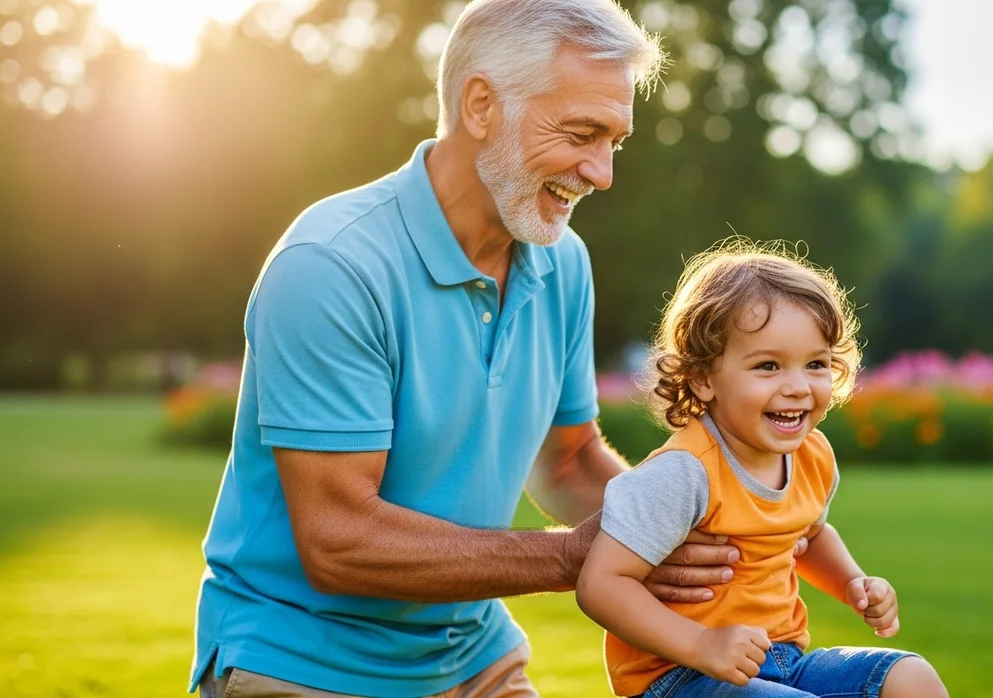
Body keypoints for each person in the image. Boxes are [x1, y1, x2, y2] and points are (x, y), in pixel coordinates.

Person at [190, 2, 744, 696]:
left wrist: (704, 530)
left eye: (615, 142)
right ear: (481, 105)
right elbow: (339, 538)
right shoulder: (332, 265)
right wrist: (575, 556)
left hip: (474, 658)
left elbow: (567, 460)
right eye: (581, 132)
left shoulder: (561, 262)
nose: (601, 173)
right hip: (303, 662)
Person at [576, 240, 949, 697]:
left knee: (911, 678)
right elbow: (601, 584)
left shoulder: (812, 455)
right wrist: (702, 644)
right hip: (679, 675)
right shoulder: (684, 473)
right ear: (702, 378)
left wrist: (854, 582)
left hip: (781, 659)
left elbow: (807, 538)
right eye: (768, 365)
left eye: (816, 364)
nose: (797, 387)